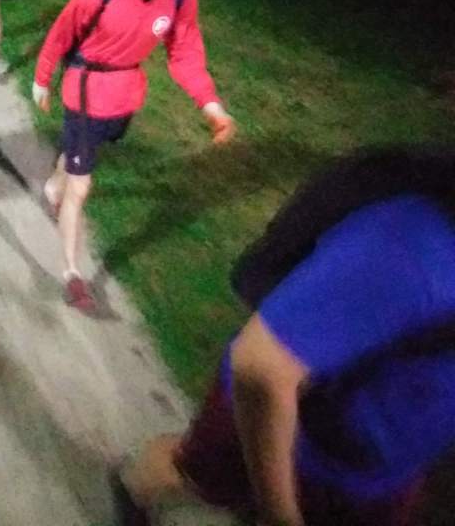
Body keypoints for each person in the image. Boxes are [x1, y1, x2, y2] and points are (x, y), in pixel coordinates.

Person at [118, 147, 455, 526]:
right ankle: (131, 485)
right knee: (192, 477)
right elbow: (261, 369)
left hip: (385, 473)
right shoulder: (415, 248)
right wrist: (280, 515)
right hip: (294, 437)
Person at [32, 0, 235, 310]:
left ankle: (55, 186)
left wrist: (212, 107)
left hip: (124, 97)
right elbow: (60, 34)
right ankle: (73, 274)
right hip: (85, 91)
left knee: (76, 157)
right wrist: (42, 79)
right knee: (82, 186)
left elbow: (185, 55)